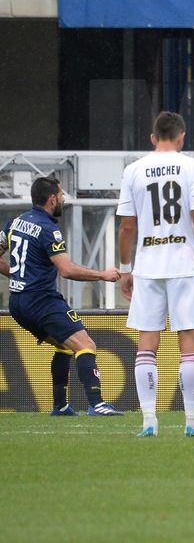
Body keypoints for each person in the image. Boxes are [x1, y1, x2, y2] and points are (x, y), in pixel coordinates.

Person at [117, 111, 194, 438]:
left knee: (147, 344)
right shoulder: (191, 166)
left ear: (153, 138)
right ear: (181, 137)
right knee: (189, 346)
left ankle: (149, 421)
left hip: (148, 266)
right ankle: (192, 423)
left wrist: (124, 270)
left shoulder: (133, 171)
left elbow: (126, 226)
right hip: (184, 265)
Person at [0, 176, 123, 416]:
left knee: (65, 346)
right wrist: (102, 275)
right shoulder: (49, 229)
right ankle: (97, 404)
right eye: (62, 195)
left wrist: (18, 276)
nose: (64, 199)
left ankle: (60, 406)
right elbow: (66, 270)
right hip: (41, 300)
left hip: (17, 303)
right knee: (85, 344)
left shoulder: (14, 222)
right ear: (52, 198)